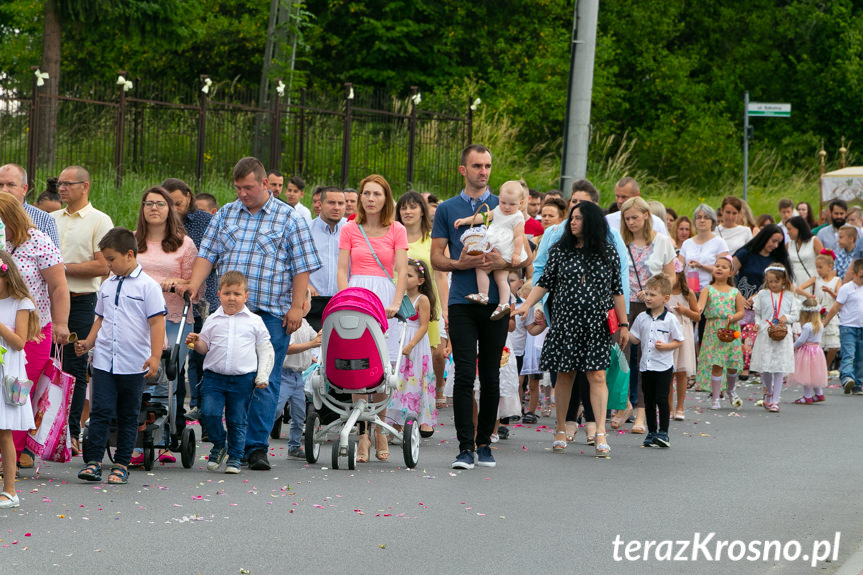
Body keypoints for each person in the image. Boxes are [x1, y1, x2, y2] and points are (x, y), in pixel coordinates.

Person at [175, 156, 320, 471]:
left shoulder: (288, 217)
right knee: (220, 374)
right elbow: (207, 255)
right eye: (238, 187)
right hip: (227, 313)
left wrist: (297, 308)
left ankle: (256, 447)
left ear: (265, 184)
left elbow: (302, 266)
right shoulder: (226, 214)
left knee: (263, 378)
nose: (242, 193)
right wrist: (193, 285)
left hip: (271, 313)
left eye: (249, 187)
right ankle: (230, 441)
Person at [514, 201, 628, 458]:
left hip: (596, 326)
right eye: (571, 218)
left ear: (591, 222)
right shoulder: (560, 251)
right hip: (565, 324)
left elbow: (617, 291)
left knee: (597, 376)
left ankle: (600, 432)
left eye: (578, 218)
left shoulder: (608, 252)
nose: (572, 222)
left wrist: (623, 324)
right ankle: (561, 428)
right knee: (564, 375)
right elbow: (544, 282)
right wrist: (527, 305)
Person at [431, 144, 516, 470]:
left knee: (492, 375)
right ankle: (465, 447)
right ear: (463, 169)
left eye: (488, 166)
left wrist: (502, 260)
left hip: (497, 301)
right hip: (463, 300)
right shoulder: (448, 209)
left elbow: (524, 257)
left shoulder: (504, 205)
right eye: (477, 166)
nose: (484, 171)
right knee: (465, 375)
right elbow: (437, 257)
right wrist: (459, 262)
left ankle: (485, 443)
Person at [75, 227, 166, 485]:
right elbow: (100, 318)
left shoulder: (148, 286)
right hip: (104, 360)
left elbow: (157, 323)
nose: (108, 265)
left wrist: (155, 356)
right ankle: (93, 462)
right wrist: (88, 342)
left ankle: (121, 464)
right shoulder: (107, 285)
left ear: (129, 254)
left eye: (112, 259)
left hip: (133, 363)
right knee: (101, 411)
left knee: (128, 414)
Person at [337, 173, 408, 463]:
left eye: (377, 194)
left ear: (386, 197)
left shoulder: (397, 229)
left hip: (384, 295)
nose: (370, 198)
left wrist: (394, 302)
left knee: (382, 368)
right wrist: (345, 299)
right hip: (356, 293)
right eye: (366, 193)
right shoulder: (350, 229)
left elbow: (402, 271)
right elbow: (342, 269)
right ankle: (363, 434)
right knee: (358, 365)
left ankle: (380, 429)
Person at [0, 194, 70, 469]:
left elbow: (59, 286)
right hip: (2, 326)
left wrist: (61, 323)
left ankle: (12, 456)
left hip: (33, 329)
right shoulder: (3, 242)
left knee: (18, 391)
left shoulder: (38, 240)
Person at [133, 186, 200, 463]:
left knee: (166, 375)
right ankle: (139, 437)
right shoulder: (132, 241)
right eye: (149, 203)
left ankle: (162, 435)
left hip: (173, 316)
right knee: (139, 375)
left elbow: (196, 287)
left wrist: (177, 284)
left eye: (160, 204)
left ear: (169, 209)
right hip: (136, 318)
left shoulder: (184, 245)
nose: (154, 208)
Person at [51, 165, 114, 455]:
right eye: (59, 183)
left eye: (68, 184)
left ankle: (71, 431)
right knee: (45, 364)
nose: (62, 188)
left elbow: (103, 265)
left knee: (74, 368)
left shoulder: (100, 221)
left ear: (85, 186)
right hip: (50, 299)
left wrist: (63, 268)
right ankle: (43, 429)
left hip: (83, 300)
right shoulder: (50, 219)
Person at [186, 271, 275, 473]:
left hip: (243, 379)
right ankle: (219, 445)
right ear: (219, 295)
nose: (232, 298)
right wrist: (196, 341)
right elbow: (204, 348)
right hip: (214, 378)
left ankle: (235, 456)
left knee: (237, 419)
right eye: (227, 293)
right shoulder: (212, 320)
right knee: (209, 413)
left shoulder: (254, 321)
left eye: (236, 293)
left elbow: (265, 349)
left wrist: (263, 376)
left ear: (246, 296)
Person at [617, 196, 676, 432]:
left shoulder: (662, 241)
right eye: (627, 218)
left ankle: (642, 413)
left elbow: (671, 275)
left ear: (646, 216)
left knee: (646, 359)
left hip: (650, 306)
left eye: (634, 217)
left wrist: (654, 290)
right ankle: (624, 404)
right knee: (620, 355)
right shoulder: (621, 242)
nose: (631, 222)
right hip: (623, 305)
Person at [161, 178, 216, 425]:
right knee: (174, 363)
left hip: (206, 298)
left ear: (189, 196)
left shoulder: (205, 222)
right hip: (172, 301)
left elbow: (214, 256)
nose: (174, 208)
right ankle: (177, 419)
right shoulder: (158, 222)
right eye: (168, 204)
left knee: (205, 358)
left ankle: (207, 414)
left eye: (178, 203)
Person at [394, 191, 449, 410]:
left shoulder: (432, 238)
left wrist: (445, 308)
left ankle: (438, 385)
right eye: (403, 208)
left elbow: (441, 275)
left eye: (413, 207)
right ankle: (405, 394)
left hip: (428, 299)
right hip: (401, 300)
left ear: (422, 211)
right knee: (404, 348)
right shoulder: (394, 235)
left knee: (436, 352)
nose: (408, 212)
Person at [0, 251, 42, 508]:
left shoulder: (21, 302)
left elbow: (18, 342)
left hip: (7, 376)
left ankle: (10, 490)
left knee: (4, 432)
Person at [455, 180, 528, 320]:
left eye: (512, 204)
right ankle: (486, 296)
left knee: (500, 277)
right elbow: (484, 217)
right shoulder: (498, 210)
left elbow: (519, 237)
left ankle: (503, 302)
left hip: (506, 248)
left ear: (521, 203)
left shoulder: (518, 217)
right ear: (499, 199)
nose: (507, 207)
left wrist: (516, 254)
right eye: (503, 202)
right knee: (483, 269)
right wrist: (466, 220)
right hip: (493, 245)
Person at [627, 274, 684, 449]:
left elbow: (679, 340)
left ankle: (663, 432)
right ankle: (651, 432)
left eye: (653, 295)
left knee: (661, 398)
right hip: (646, 366)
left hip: (663, 367)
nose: (648, 298)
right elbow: (635, 339)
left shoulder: (670, 319)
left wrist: (667, 347)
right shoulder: (642, 318)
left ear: (665, 298)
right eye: (647, 294)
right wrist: (621, 328)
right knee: (649, 400)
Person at [732, 224, 791, 381]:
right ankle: (744, 366)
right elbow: (729, 272)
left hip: (764, 302)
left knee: (761, 334)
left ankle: (760, 366)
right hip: (742, 300)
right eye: (773, 241)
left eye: (778, 243)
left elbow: (779, 281)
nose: (775, 246)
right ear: (765, 237)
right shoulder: (745, 253)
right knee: (745, 335)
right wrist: (737, 295)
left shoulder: (775, 260)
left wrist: (757, 296)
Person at [390, 258, 437, 436]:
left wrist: (410, 345)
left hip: (414, 344)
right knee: (398, 380)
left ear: (420, 281)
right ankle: (396, 422)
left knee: (414, 379)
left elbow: (424, 326)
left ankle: (416, 420)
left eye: (408, 275)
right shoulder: (398, 296)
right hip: (398, 339)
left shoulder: (422, 299)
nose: (403, 278)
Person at [695, 255, 745, 408]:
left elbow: (741, 312)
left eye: (724, 267)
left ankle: (731, 390)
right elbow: (700, 307)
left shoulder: (735, 292)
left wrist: (733, 316)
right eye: (717, 266)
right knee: (717, 364)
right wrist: (696, 310)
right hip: (714, 329)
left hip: (731, 329)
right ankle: (715, 397)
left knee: (732, 363)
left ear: (730, 273)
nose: (719, 269)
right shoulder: (707, 289)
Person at [274, 287, 319, 458]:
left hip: (298, 377)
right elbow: (288, 348)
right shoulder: (291, 323)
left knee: (299, 413)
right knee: (276, 410)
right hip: (285, 374)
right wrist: (311, 345)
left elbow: (315, 339)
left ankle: (294, 445)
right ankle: (257, 441)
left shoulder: (306, 324)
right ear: (303, 303)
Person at [750, 264, 799, 412]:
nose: (773, 284)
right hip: (766, 332)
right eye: (770, 281)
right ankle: (768, 391)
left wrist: (787, 318)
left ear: (783, 281)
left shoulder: (790, 296)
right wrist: (757, 324)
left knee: (779, 366)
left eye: (776, 281)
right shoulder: (762, 295)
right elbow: (758, 313)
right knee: (765, 366)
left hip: (783, 334)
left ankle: (775, 399)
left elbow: (796, 315)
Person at [308, 186, 346, 331]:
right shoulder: (306, 230)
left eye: (340, 203)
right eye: (331, 203)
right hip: (313, 303)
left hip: (342, 301)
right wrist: (305, 284)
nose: (336, 208)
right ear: (320, 204)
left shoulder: (352, 230)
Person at [823, 259, 863, 394]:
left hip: (861, 327)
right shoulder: (846, 288)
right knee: (849, 353)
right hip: (848, 326)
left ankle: (857, 383)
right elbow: (836, 307)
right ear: (854, 274)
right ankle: (847, 377)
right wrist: (825, 322)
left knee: (860, 357)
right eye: (861, 276)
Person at [797, 253, 841, 371]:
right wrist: (809, 295)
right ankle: (817, 367)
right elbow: (799, 288)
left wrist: (830, 292)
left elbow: (839, 297)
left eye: (820, 267)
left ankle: (825, 367)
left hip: (832, 313)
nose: (818, 270)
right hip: (817, 314)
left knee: (834, 345)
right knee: (818, 342)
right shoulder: (816, 279)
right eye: (817, 267)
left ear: (830, 266)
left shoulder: (837, 280)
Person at [0, 163, 60, 247]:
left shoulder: (44, 220)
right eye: (0, 185)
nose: (4, 190)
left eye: (11, 185)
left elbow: (54, 257)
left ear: (24, 189)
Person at [668, 259, 698, 420]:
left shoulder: (688, 294)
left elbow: (697, 316)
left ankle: (680, 407)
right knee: (668, 372)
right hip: (667, 334)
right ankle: (669, 408)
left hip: (683, 332)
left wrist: (684, 310)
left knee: (681, 372)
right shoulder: (664, 294)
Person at [679, 204, 730, 295]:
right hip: (689, 291)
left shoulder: (720, 243)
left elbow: (724, 270)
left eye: (706, 217)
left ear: (712, 221)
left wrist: (701, 266)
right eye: (699, 217)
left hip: (712, 291)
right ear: (695, 221)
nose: (702, 220)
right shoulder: (687, 243)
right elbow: (679, 268)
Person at [789, 298, 828, 404]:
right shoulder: (820, 325)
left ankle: (807, 396)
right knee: (814, 373)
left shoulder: (807, 326)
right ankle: (819, 393)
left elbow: (802, 340)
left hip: (806, 352)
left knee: (806, 374)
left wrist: (793, 346)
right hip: (817, 351)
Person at [786, 215, 823, 290]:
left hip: (812, 280)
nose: (787, 232)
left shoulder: (814, 241)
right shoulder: (789, 244)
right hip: (795, 281)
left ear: (798, 228)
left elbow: (824, 261)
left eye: (790, 229)